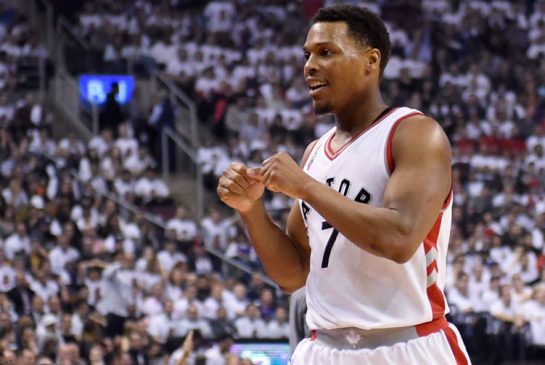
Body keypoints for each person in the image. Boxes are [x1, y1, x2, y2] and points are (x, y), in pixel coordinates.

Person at [217, 5, 471, 364]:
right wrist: (250, 210)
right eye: (307, 55)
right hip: (323, 349)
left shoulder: (413, 133)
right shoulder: (316, 152)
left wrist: (306, 187)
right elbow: (293, 274)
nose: (310, 66)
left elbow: (399, 239)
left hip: (405, 345)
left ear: (371, 60)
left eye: (326, 52)